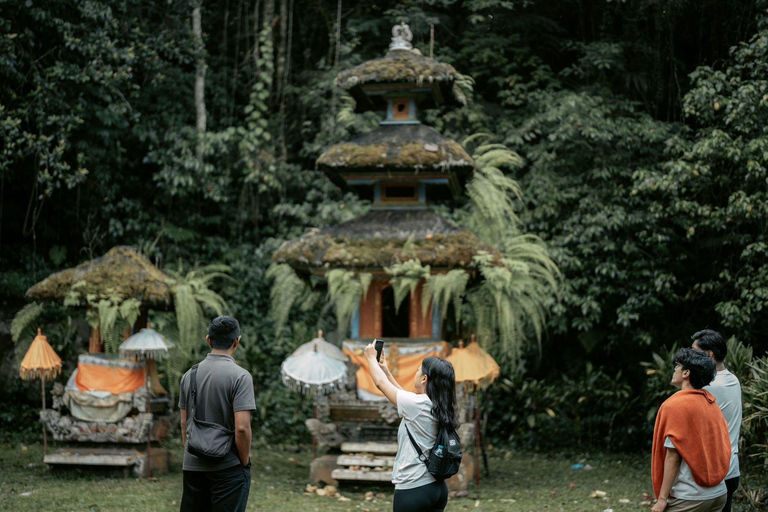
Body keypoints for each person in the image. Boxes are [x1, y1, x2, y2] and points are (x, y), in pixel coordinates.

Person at [364, 341, 458, 512]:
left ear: (424, 378)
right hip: (437, 487)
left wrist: (370, 358)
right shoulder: (439, 405)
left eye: (417, 370)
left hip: (413, 487)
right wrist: (386, 370)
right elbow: (404, 398)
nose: (416, 372)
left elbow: (380, 384)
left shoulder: (418, 405)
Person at [178, 316, 256, 512]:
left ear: (208, 340)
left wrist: (192, 452)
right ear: (236, 341)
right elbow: (242, 428)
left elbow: (183, 424)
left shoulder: (189, 375)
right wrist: (244, 462)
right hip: (227, 467)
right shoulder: (240, 376)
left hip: (193, 465)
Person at [651, 348, 731, 512]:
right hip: (719, 493)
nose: (674, 369)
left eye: (677, 365)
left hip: (691, 497)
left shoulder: (676, 405)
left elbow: (673, 458)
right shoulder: (710, 402)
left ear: (686, 372)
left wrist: (662, 500)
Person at [692, 329, 742, 512]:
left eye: (695, 352)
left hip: (714, 473)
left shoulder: (709, 386)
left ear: (709, 354)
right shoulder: (733, 380)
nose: (691, 357)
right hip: (731, 469)